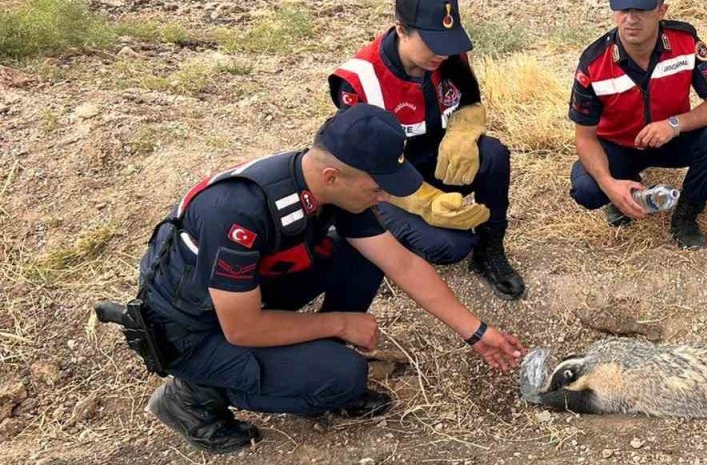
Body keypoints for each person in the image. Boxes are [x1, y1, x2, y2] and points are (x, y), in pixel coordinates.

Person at [135, 104, 524, 454]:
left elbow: (401, 263)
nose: (384, 198)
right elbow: (242, 327)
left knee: (360, 255)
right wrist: (340, 323)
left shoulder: (334, 190)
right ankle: (193, 394)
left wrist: (477, 333)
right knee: (344, 377)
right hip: (196, 330)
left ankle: (313, 357)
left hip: (245, 296)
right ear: (332, 175)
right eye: (377, 188)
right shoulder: (238, 210)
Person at [329, 0, 525, 300]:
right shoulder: (358, 82)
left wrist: (464, 131)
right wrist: (425, 201)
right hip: (385, 187)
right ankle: (370, 243)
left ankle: (490, 250)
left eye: (447, 41)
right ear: (401, 30)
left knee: (493, 154)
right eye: (432, 41)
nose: (442, 52)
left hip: (431, 164)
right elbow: (364, 170)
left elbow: (469, 101)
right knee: (450, 246)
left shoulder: (448, 56)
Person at [568, 0, 707, 249]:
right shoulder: (593, 63)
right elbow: (584, 138)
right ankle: (626, 192)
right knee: (587, 189)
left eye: (642, 9)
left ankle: (686, 216)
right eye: (623, 8)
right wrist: (610, 185)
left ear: (661, 10)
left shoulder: (686, 43)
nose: (631, 18)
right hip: (618, 146)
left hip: (670, 140)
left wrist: (674, 124)